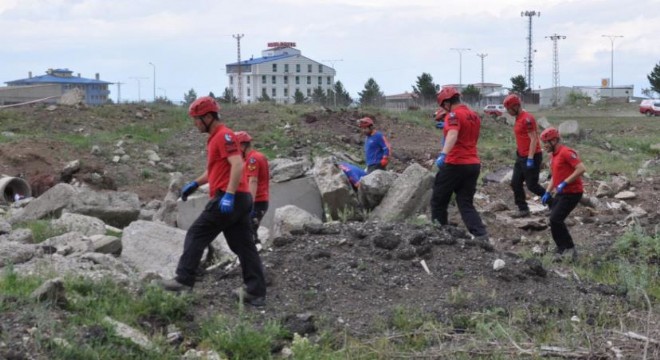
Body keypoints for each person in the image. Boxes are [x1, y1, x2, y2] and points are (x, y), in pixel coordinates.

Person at [160, 96, 266, 307]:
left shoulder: (224, 136)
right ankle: (255, 292)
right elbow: (215, 170)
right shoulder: (217, 138)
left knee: (197, 233)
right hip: (240, 198)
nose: (195, 123)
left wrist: (228, 194)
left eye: (197, 119)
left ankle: (183, 280)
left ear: (208, 117)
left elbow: (237, 165)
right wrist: (195, 183)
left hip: (230, 198)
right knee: (243, 246)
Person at [430, 87, 489, 241]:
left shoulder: (452, 115)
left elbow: (453, 134)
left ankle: (439, 232)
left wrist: (443, 154)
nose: (443, 108)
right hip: (473, 164)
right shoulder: (474, 116)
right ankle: (481, 235)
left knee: (438, 199)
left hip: (455, 163)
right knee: (465, 202)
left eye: (443, 105)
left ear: (447, 103)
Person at [540, 127, 586, 262]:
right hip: (561, 192)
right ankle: (562, 248)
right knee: (554, 220)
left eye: (546, 142)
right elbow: (554, 176)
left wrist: (565, 183)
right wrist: (547, 192)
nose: (545, 145)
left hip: (573, 192)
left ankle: (569, 249)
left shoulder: (566, 152)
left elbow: (581, 169)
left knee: (555, 219)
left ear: (554, 140)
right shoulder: (552, 156)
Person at [503, 94, 548, 218]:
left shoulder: (527, 119)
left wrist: (530, 158)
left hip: (531, 156)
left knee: (532, 185)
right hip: (521, 156)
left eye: (509, 109)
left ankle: (553, 203)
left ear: (516, 106)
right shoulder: (518, 118)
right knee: (515, 183)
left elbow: (534, 139)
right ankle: (523, 209)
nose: (508, 112)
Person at [235, 131, 270, 245]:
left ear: (242, 145)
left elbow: (253, 181)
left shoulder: (252, 159)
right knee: (250, 231)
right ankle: (255, 253)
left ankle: (255, 255)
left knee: (247, 231)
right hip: (261, 200)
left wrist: (249, 203)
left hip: (257, 201)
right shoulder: (258, 156)